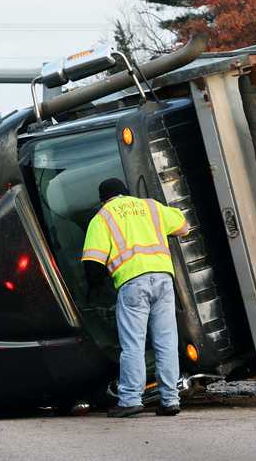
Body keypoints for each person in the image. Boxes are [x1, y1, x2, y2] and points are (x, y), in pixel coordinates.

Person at [81, 178, 190, 418]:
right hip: (163, 280)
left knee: (133, 345)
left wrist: (94, 288)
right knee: (166, 341)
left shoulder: (102, 217)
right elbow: (184, 226)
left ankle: (130, 399)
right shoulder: (151, 206)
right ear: (126, 193)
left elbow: (92, 264)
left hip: (133, 284)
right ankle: (170, 400)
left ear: (104, 199)